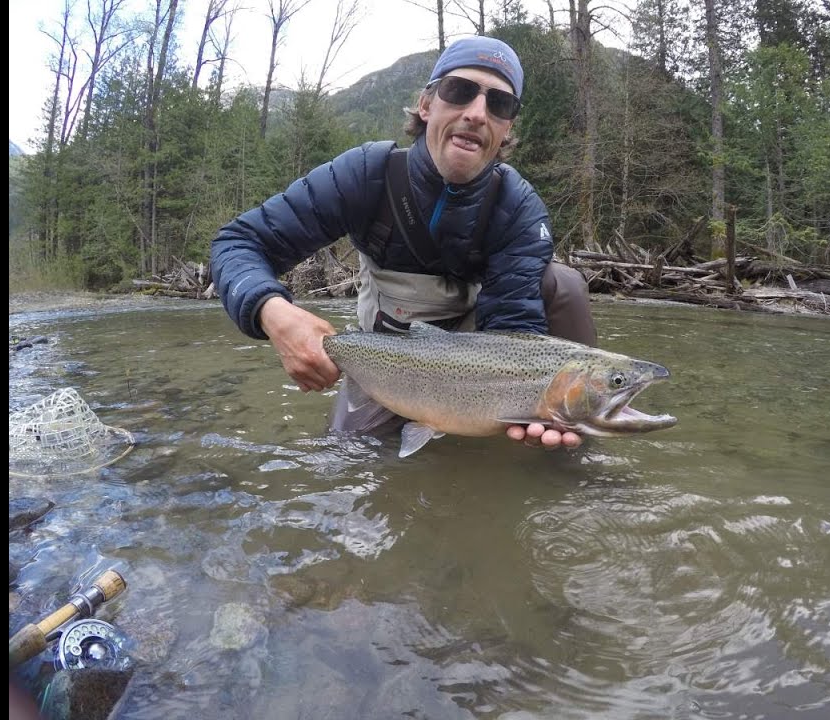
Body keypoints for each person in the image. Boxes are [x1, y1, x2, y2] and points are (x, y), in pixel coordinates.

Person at [211, 36, 597, 450]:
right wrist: (275, 313)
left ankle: (573, 458)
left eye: (499, 104)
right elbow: (237, 241)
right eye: (459, 91)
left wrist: (527, 403)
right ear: (427, 104)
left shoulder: (517, 208)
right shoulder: (365, 175)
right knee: (349, 457)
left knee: (563, 284)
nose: (477, 113)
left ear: (507, 130)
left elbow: (514, 334)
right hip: (385, 357)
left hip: (473, 359)